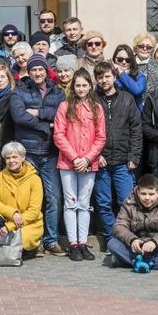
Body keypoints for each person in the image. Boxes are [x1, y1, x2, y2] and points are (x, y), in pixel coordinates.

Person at [9, 58, 66, 255]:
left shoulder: (58, 92)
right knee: (29, 199)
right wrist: (45, 124)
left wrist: (38, 112)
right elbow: (18, 116)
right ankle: (34, 240)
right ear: (29, 71)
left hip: (51, 152)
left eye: (41, 69)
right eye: (34, 70)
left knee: (53, 198)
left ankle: (51, 240)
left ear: (46, 71)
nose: (37, 73)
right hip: (29, 151)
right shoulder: (19, 90)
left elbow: (62, 114)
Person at [53, 69, 107, 261]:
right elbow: (59, 135)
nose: (81, 89)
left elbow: (101, 137)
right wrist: (75, 157)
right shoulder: (64, 106)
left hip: (89, 162)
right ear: (73, 87)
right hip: (68, 162)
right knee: (70, 203)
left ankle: (83, 242)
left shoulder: (96, 108)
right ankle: (73, 243)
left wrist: (87, 158)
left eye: (85, 85)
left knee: (84, 204)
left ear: (90, 87)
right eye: (78, 85)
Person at [93, 61, 141, 245]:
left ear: (114, 77)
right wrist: (96, 155)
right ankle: (110, 238)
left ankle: (125, 237)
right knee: (104, 203)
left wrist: (134, 156)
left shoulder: (127, 98)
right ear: (96, 79)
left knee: (126, 203)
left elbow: (136, 129)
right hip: (101, 161)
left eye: (107, 76)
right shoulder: (92, 99)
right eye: (100, 77)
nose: (104, 80)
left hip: (123, 161)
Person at [106, 173, 158, 271]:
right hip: (135, 246)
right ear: (138, 192)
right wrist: (132, 240)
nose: (147, 198)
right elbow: (119, 226)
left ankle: (129, 262)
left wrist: (155, 242)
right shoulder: (129, 203)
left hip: (157, 246)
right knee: (112, 244)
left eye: (151, 194)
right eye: (143, 194)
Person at [0, 141, 44, 258]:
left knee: (24, 239)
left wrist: (10, 226)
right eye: (7, 158)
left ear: (23, 158)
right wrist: (13, 214)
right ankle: (2, 245)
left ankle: (27, 249)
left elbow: (34, 211)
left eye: (15, 157)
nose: (11, 161)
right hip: (6, 218)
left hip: (28, 222)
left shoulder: (35, 179)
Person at [112, 44, 147, 110]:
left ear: (131, 61)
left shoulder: (139, 76)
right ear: (114, 59)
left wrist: (121, 73)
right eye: (120, 59)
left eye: (127, 60)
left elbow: (137, 91)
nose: (124, 62)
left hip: (133, 116)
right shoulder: (109, 75)